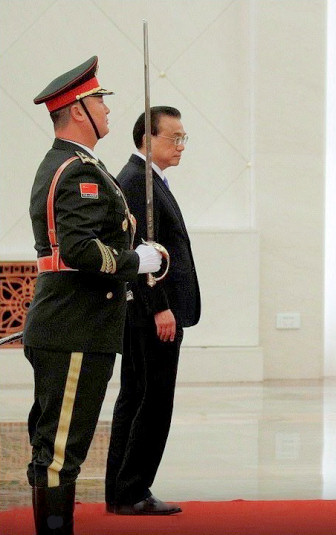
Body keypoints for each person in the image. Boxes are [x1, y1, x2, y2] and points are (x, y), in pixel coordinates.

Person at [25, 56, 162, 535]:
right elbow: (81, 249)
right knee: (62, 450)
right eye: (100, 100)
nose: (107, 108)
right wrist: (134, 263)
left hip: (75, 325)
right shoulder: (74, 170)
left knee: (57, 444)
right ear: (78, 108)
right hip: (75, 326)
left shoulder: (78, 164)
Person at [105, 106, 201, 515]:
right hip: (151, 314)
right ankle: (133, 490)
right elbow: (140, 252)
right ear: (147, 139)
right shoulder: (136, 182)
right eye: (172, 138)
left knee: (136, 395)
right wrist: (160, 307)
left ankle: (121, 488)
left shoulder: (149, 180)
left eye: (183, 138)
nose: (180, 146)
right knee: (152, 400)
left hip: (148, 312)